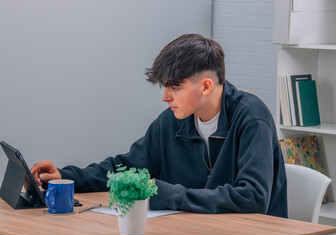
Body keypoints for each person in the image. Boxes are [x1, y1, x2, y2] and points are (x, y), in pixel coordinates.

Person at [31, 33, 287, 218]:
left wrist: (172, 196)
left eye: (175, 88)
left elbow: (253, 197)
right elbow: (127, 166)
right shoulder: (172, 122)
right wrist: (65, 177)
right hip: (197, 230)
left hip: (253, 233)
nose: (165, 97)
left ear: (206, 86)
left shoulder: (252, 118)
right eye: (165, 88)